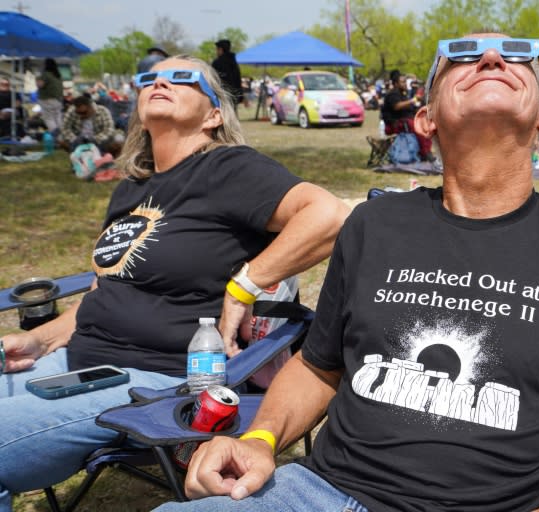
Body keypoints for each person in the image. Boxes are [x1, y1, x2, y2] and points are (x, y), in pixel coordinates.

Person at [155, 33, 539, 512]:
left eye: (518, 57)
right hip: (320, 492)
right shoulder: (372, 226)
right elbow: (317, 367)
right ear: (425, 118)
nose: (492, 59)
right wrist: (259, 439)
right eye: (462, 55)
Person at [0, 55, 349, 512]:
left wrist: (243, 285)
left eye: (183, 78)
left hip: (154, 380)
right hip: (74, 364)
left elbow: (331, 216)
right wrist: (39, 340)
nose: (161, 82)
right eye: (150, 78)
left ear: (214, 115)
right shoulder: (131, 187)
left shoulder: (228, 169)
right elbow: (105, 290)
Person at [381, 69, 434, 162]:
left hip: (405, 121)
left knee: (425, 125)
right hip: (396, 123)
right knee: (419, 129)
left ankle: (426, 152)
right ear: (396, 84)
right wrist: (413, 100)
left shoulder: (402, 94)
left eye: (405, 81)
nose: (405, 84)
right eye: (402, 82)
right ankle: (425, 153)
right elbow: (397, 106)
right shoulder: (392, 94)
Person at [58, 94, 123, 155]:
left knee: (119, 139)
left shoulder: (103, 110)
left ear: (90, 107)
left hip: (99, 138)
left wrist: (96, 139)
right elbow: (64, 128)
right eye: (78, 113)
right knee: (60, 138)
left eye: (84, 112)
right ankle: (76, 154)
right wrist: (74, 139)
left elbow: (109, 129)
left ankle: (109, 154)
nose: (81, 115)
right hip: (79, 138)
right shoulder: (72, 111)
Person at [35, 58, 63, 134]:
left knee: (49, 118)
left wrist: (37, 76)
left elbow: (40, 84)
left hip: (47, 99)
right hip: (58, 100)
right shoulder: (58, 75)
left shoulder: (46, 74)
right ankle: (62, 136)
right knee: (58, 118)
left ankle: (55, 136)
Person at [212, 39, 243, 108]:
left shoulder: (217, 63)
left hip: (221, 94)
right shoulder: (233, 62)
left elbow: (213, 79)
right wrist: (240, 95)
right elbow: (238, 79)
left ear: (221, 49)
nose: (216, 51)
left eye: (217, 49)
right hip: (234, 95)